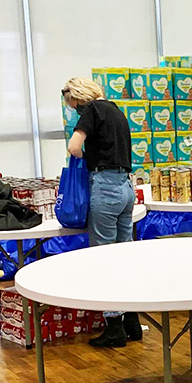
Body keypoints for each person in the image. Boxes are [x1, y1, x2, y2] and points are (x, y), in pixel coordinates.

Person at [64, 77, 143, 348]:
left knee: (104, 259)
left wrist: (83, 158)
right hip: (126, 188)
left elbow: (74, 147)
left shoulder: (92, 111)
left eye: (72, 103)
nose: (73, 110)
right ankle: (132, 319)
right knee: (125, 255)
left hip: (105, 189)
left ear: (78, 97)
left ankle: (113, 328)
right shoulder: (116, 110)